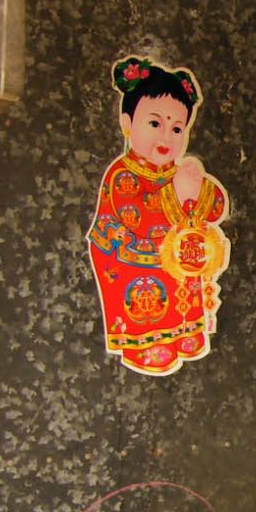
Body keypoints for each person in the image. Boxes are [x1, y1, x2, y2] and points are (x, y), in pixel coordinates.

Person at [86, 56, 230, 376]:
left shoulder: (176, 173)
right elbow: (139, 217)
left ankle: (185, 335)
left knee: (183, 294)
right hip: (132, 263)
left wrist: (196, 187)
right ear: (127, 124)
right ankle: (146, 347)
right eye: (155, 124)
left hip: (176, 266)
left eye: (177, 128)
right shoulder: (122, 174)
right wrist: (178, 194)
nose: (167, 137)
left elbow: (215, 208)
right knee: (148, 310)